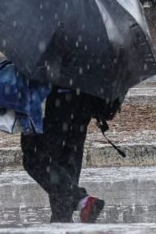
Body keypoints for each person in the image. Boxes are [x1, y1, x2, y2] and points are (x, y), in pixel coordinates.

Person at [21, 87, 122, 223]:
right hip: (85, 101)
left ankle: (82, 201)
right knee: (66, 163)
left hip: (60, 98)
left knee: (35, 158)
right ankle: (62, 221)